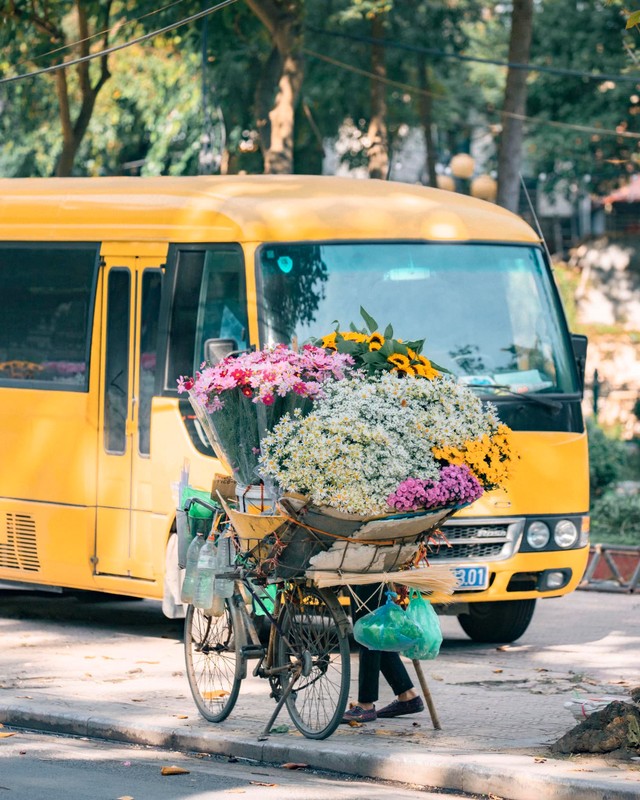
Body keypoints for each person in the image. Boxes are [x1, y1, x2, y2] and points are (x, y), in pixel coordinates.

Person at [342, 583, 425, 723]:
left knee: (369, 631)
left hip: (371, 570)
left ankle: (365, 704)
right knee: (376, 634)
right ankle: (407, 694)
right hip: (368, 570)